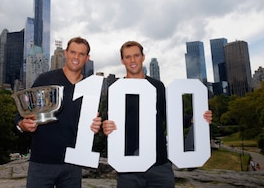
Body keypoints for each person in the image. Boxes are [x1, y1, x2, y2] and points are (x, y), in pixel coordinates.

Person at [102, 41, 212, 188]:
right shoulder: (115, 89)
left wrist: (196, 118)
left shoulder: (157, 86)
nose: (132, 60)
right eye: (128, 57)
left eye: (136, 55)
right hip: (128, 165)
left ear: (143, 57)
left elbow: (169, 115)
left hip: (159, 165)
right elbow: (107, 120)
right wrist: (105, 126)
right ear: (122, 60)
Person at [15, 37, 102, 188]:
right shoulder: (45, 79)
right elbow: (21, 114)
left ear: (87, 58)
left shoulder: (91, 88)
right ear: (65, 53)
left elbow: (88, 124)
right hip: (42, 161)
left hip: (73, 165)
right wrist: (22, 124)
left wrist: (95, 126)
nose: (76, 57)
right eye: (73, 52)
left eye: (81, 54)